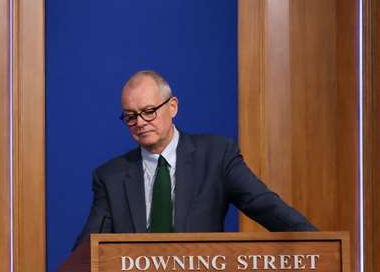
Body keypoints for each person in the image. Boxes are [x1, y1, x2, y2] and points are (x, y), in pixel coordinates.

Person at [74, 69, 314, 247]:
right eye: (130, 117)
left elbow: (266, 206)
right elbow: (87, 254)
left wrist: (318, 246)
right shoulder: (110, 176)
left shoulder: (216, 155)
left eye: (149, 112)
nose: (140, 123)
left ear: (173, 107)